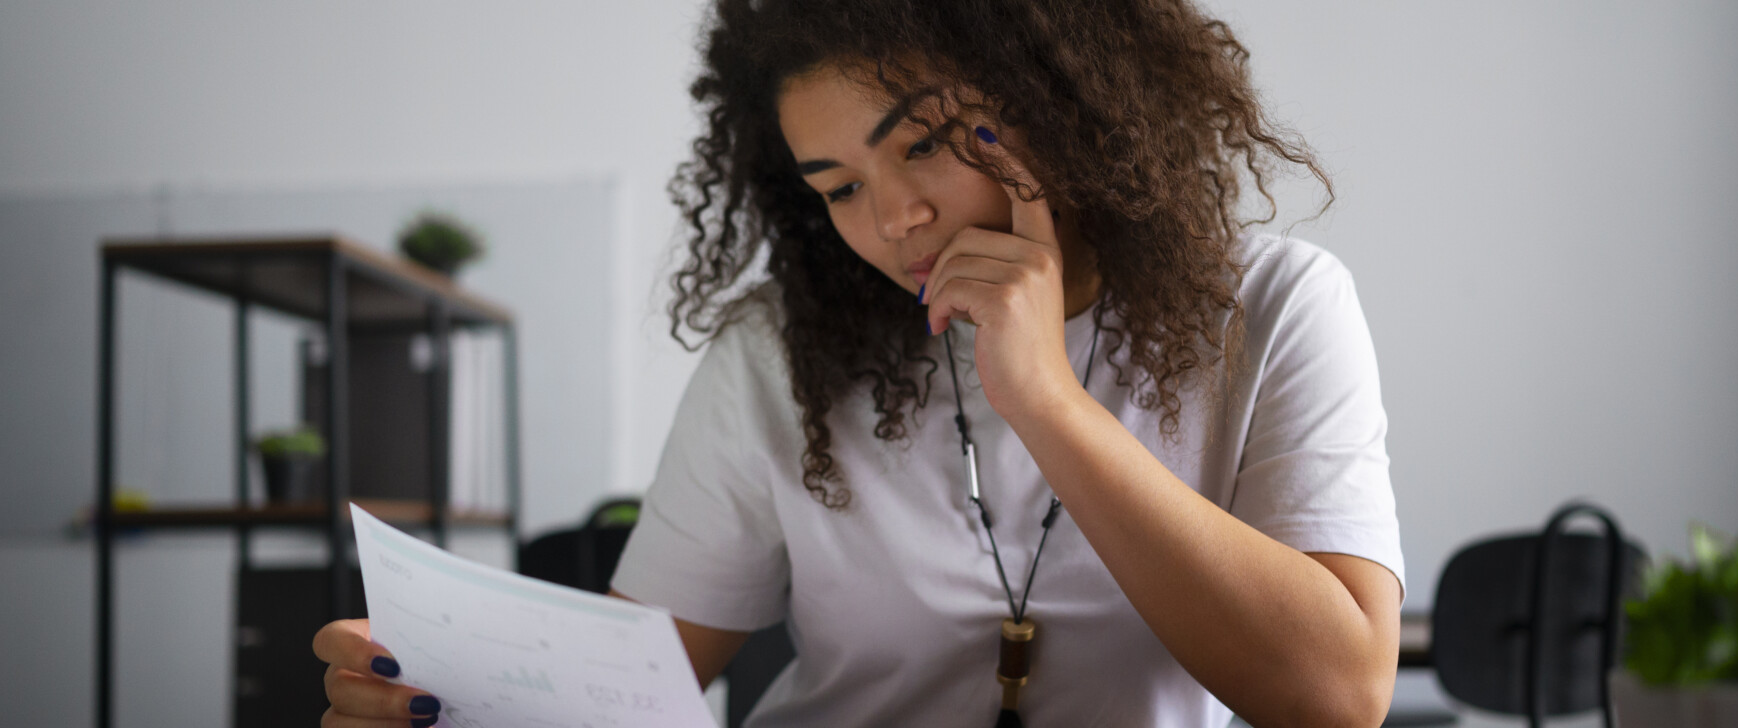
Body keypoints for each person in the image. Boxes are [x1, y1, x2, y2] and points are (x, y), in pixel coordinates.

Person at [313, 0, 1404, 725]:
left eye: (925, 141)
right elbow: (632, 682)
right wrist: (441, 689)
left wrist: (1047, 402)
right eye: (837, 187)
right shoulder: (779, 352)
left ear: (1060, 101)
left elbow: (1339, 690)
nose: (895, 217)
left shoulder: (1268, 307)